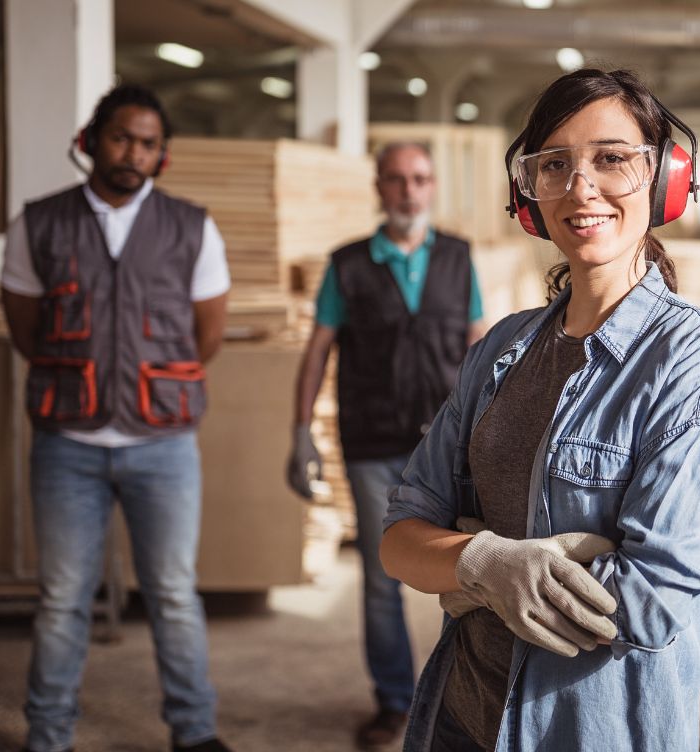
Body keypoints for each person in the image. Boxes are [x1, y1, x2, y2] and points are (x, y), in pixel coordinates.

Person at [377, 68, 700, 751]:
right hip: (461, 717)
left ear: (665, 177)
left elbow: (654, 595)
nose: (581, 188)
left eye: (611, 159)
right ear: (530, 192)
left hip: (585, 730)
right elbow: (401, 538)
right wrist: (491, 562)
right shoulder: (502, 349)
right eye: (556, 164)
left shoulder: (689, 354)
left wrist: (465, 569)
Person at [0, 85, 235, 752]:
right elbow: (24, 327)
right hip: (65, 442)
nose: (133, 153)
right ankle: (47, 737)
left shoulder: (192, 226)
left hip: (163, 443)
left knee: (173, 596)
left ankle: (194, 734)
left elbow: (206, 336)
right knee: (61, 599)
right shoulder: (39, 223)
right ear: (91, 140)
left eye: (148, 143)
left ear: (162, 156)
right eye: (121, 138)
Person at [287, 141, 489, 747]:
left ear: (432, 187)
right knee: (383, 578)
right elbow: (318, 349)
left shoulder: (457, 257)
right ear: (379, 187)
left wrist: (497, 429)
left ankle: (468, 697)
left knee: (470, 571)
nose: (409, 191)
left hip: (451, 446)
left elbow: (481, 347)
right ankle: (393, 700)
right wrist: (300, 432)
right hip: (373, 443)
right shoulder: (347, 264)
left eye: (420, 179)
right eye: (397, 180)